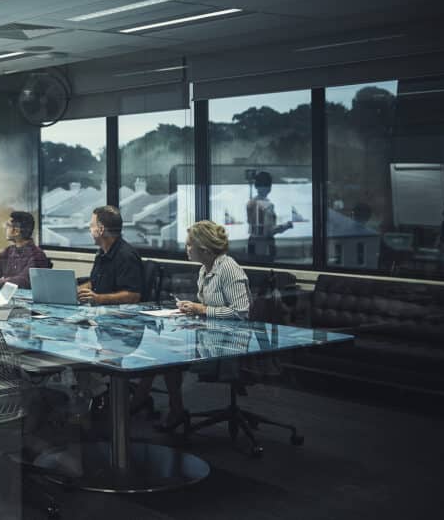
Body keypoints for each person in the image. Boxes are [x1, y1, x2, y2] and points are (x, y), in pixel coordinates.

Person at [130, 220, 252, 432]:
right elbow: (208, 307)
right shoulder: (205, 269)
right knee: (160, 347)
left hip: (232, 342)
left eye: (189, 245)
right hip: (212, 334)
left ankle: (145, 403)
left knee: (165, 354)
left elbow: (241, 313)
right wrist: (191, 310)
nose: (186, 249)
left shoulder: (229, 269)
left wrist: (202, 310)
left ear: (203, 249)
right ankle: (160, 404)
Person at [75, 206, 143, 305]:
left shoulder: (126, 256)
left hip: (118, 316)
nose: (90, 230)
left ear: (101, 229)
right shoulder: (101, 253)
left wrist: (99, 298)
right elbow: (95, 283)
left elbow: (133, 296)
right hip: (99, 310)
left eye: (92, 226)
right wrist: (76, 291)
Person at [0, 211, 50, 290]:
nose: (4, 227)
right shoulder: (8, 251)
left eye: (8, 225)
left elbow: (23, 281)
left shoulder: (37, 255)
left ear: (16, 231)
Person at [246, 171, 292, 261]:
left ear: (256, 186)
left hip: (252, 242)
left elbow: (252, 225)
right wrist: (286, 226)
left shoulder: (250, 203)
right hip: (264, 245)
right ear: (269, 187)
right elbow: (269, 231)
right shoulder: (267, 206)